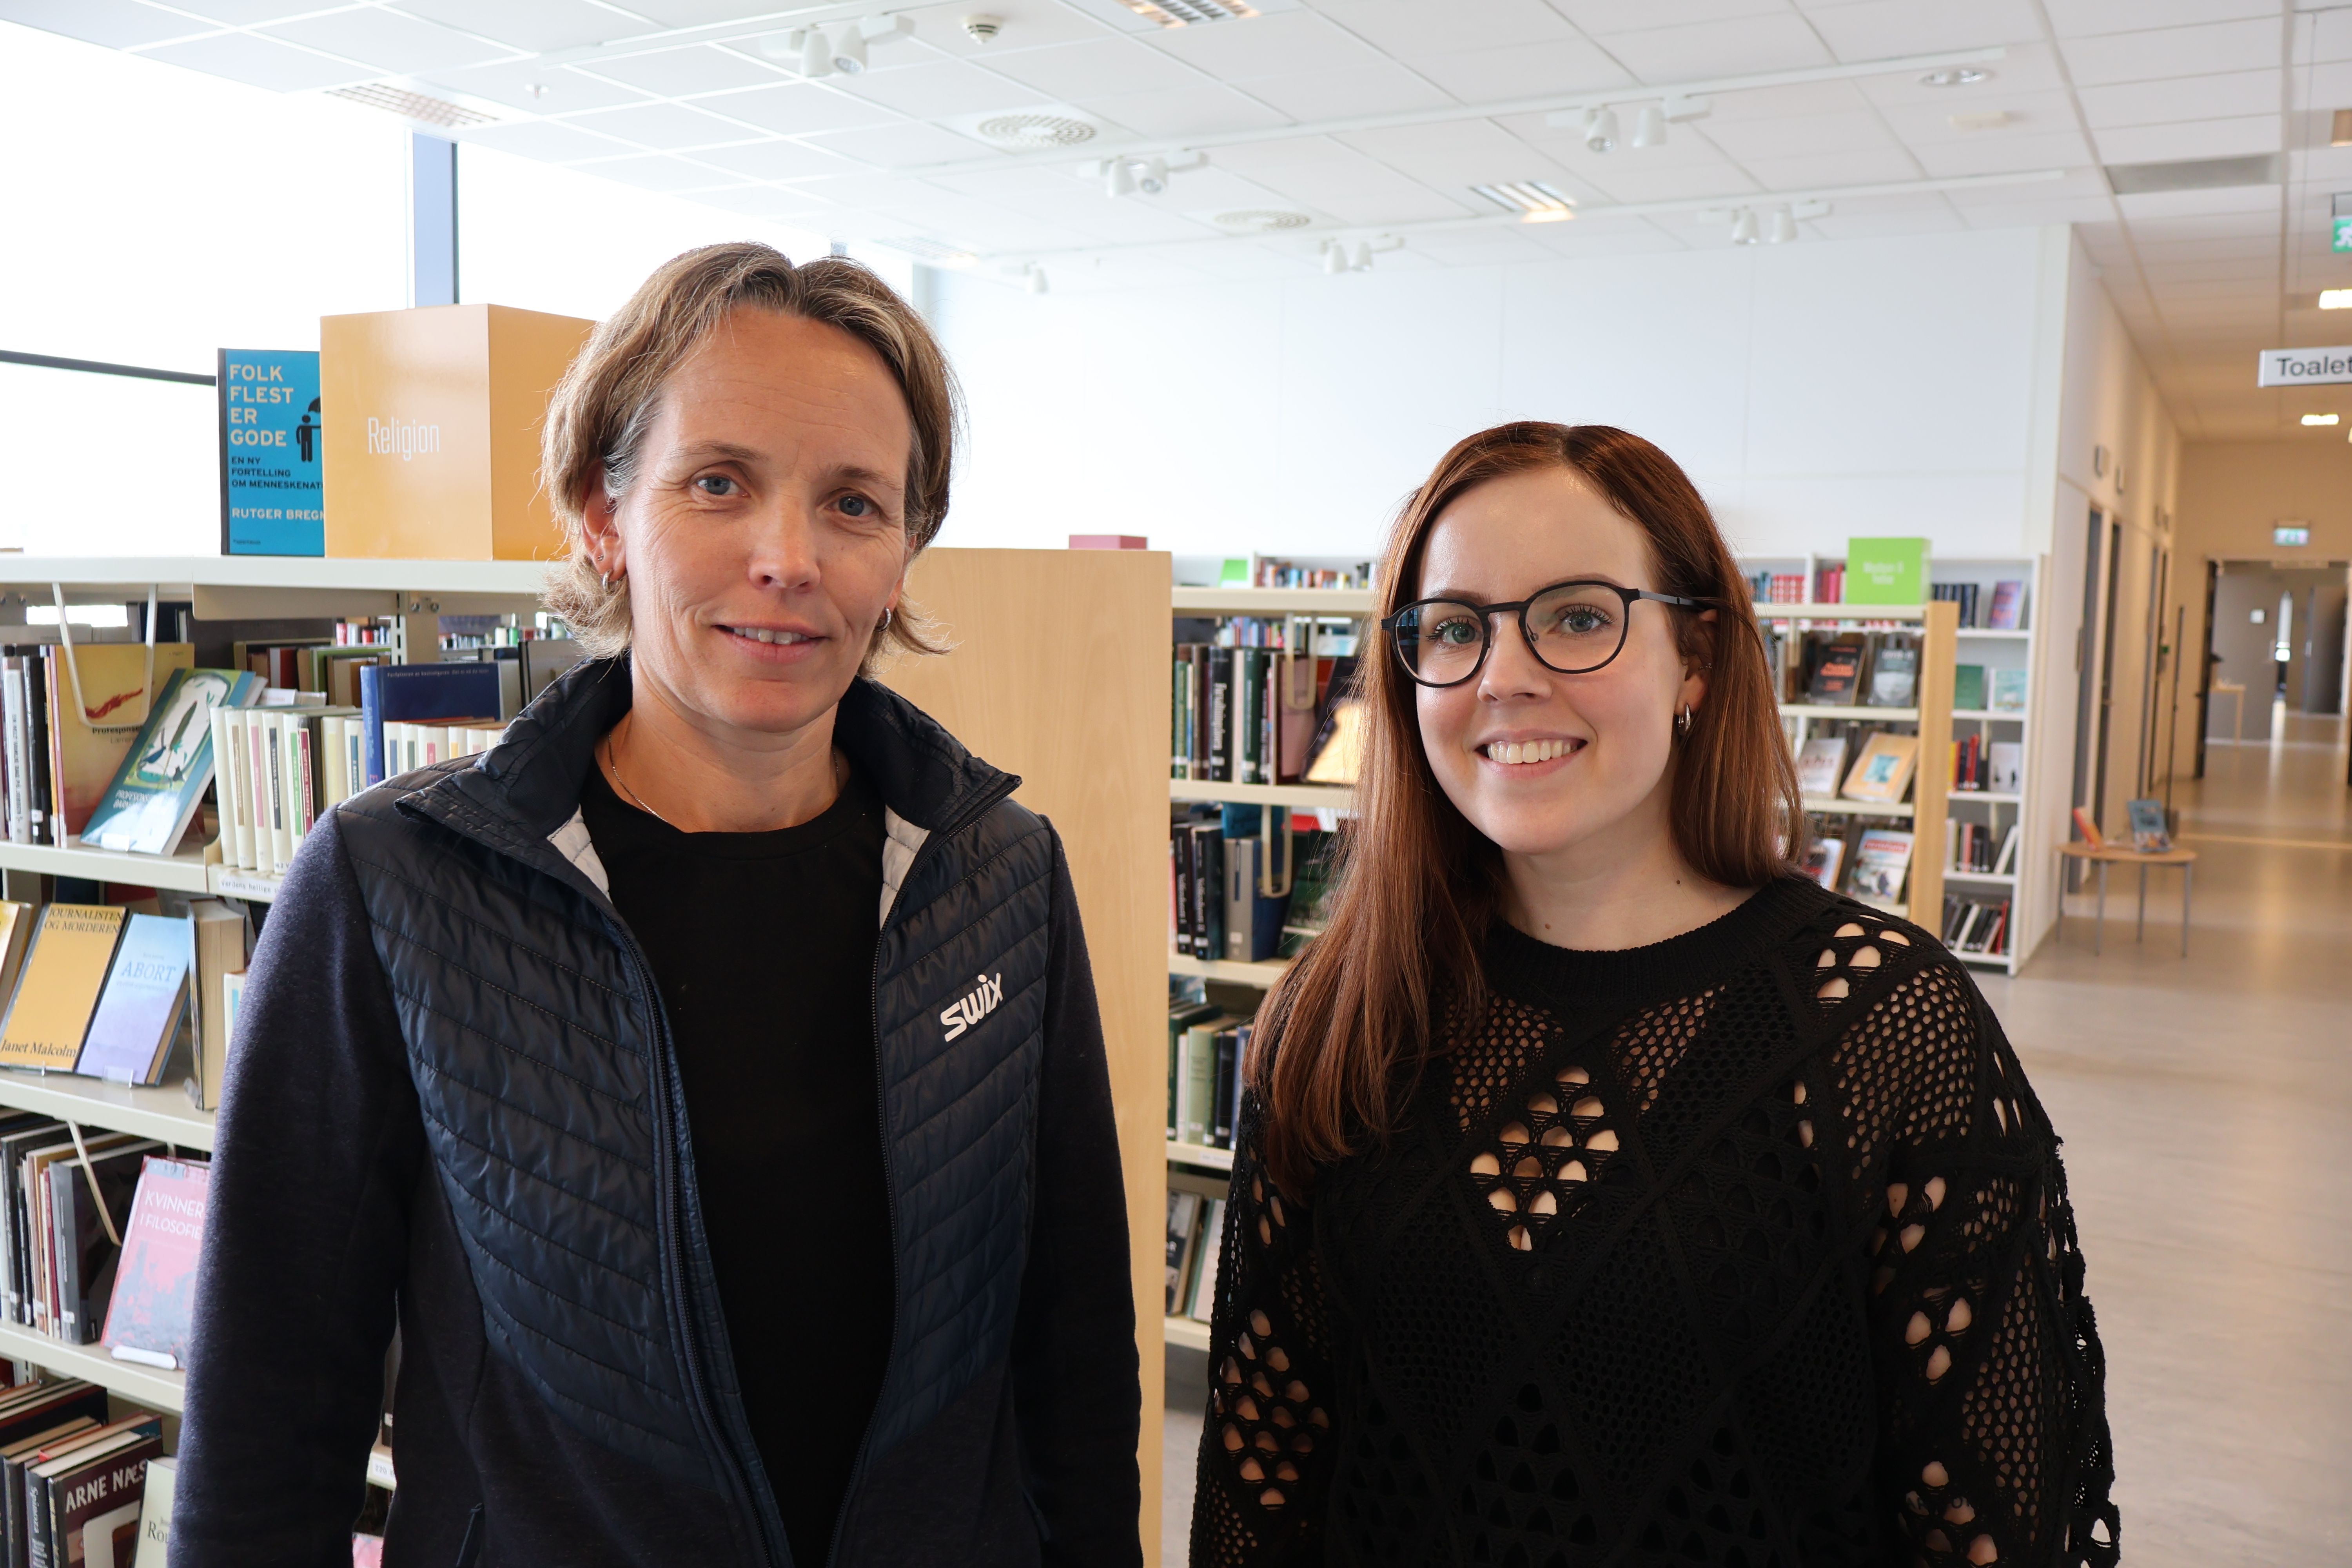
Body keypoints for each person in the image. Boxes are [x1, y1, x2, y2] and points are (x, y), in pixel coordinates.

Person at [173, 243, 1141, 1568]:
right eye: (718, 482)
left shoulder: (1000, 873)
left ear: (905, 553)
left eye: (855, 503)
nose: (789, 558)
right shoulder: (392, 882)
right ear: (602, 512)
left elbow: (1074, 1361)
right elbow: (270, 1416)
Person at [1191, 424, 2118, 1568]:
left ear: (1696, 657)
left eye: (1579, 617)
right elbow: (1262, 1479)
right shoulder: (1341, 1014)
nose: (1504, 676)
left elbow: (1989, 1525)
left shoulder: (1887, 1025)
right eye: (1455, 627)